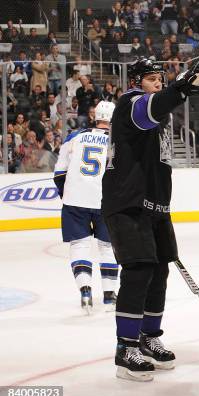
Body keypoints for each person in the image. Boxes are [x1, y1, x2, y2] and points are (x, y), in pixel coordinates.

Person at [101, 57, 199, 382]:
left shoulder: (159, 115)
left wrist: (178, 89)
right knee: (138, 271)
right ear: (136, 81)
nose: (157, 83)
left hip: (155, 206)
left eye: (160, 78)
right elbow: (151, 107)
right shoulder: (131, 104)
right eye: (151, 79)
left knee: (160, 270)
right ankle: (126, 347)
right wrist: (182, 87)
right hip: (128, 203)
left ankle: (149, 336)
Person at [53, 101, 118, 314]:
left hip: (75, 200)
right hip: (105, 201)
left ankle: (86, 291)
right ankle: (109, 296)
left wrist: (67, 195)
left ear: (95, 116)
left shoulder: (74, 137)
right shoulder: (116, 141)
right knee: (107, 247)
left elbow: (59, 173)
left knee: (80, 245)